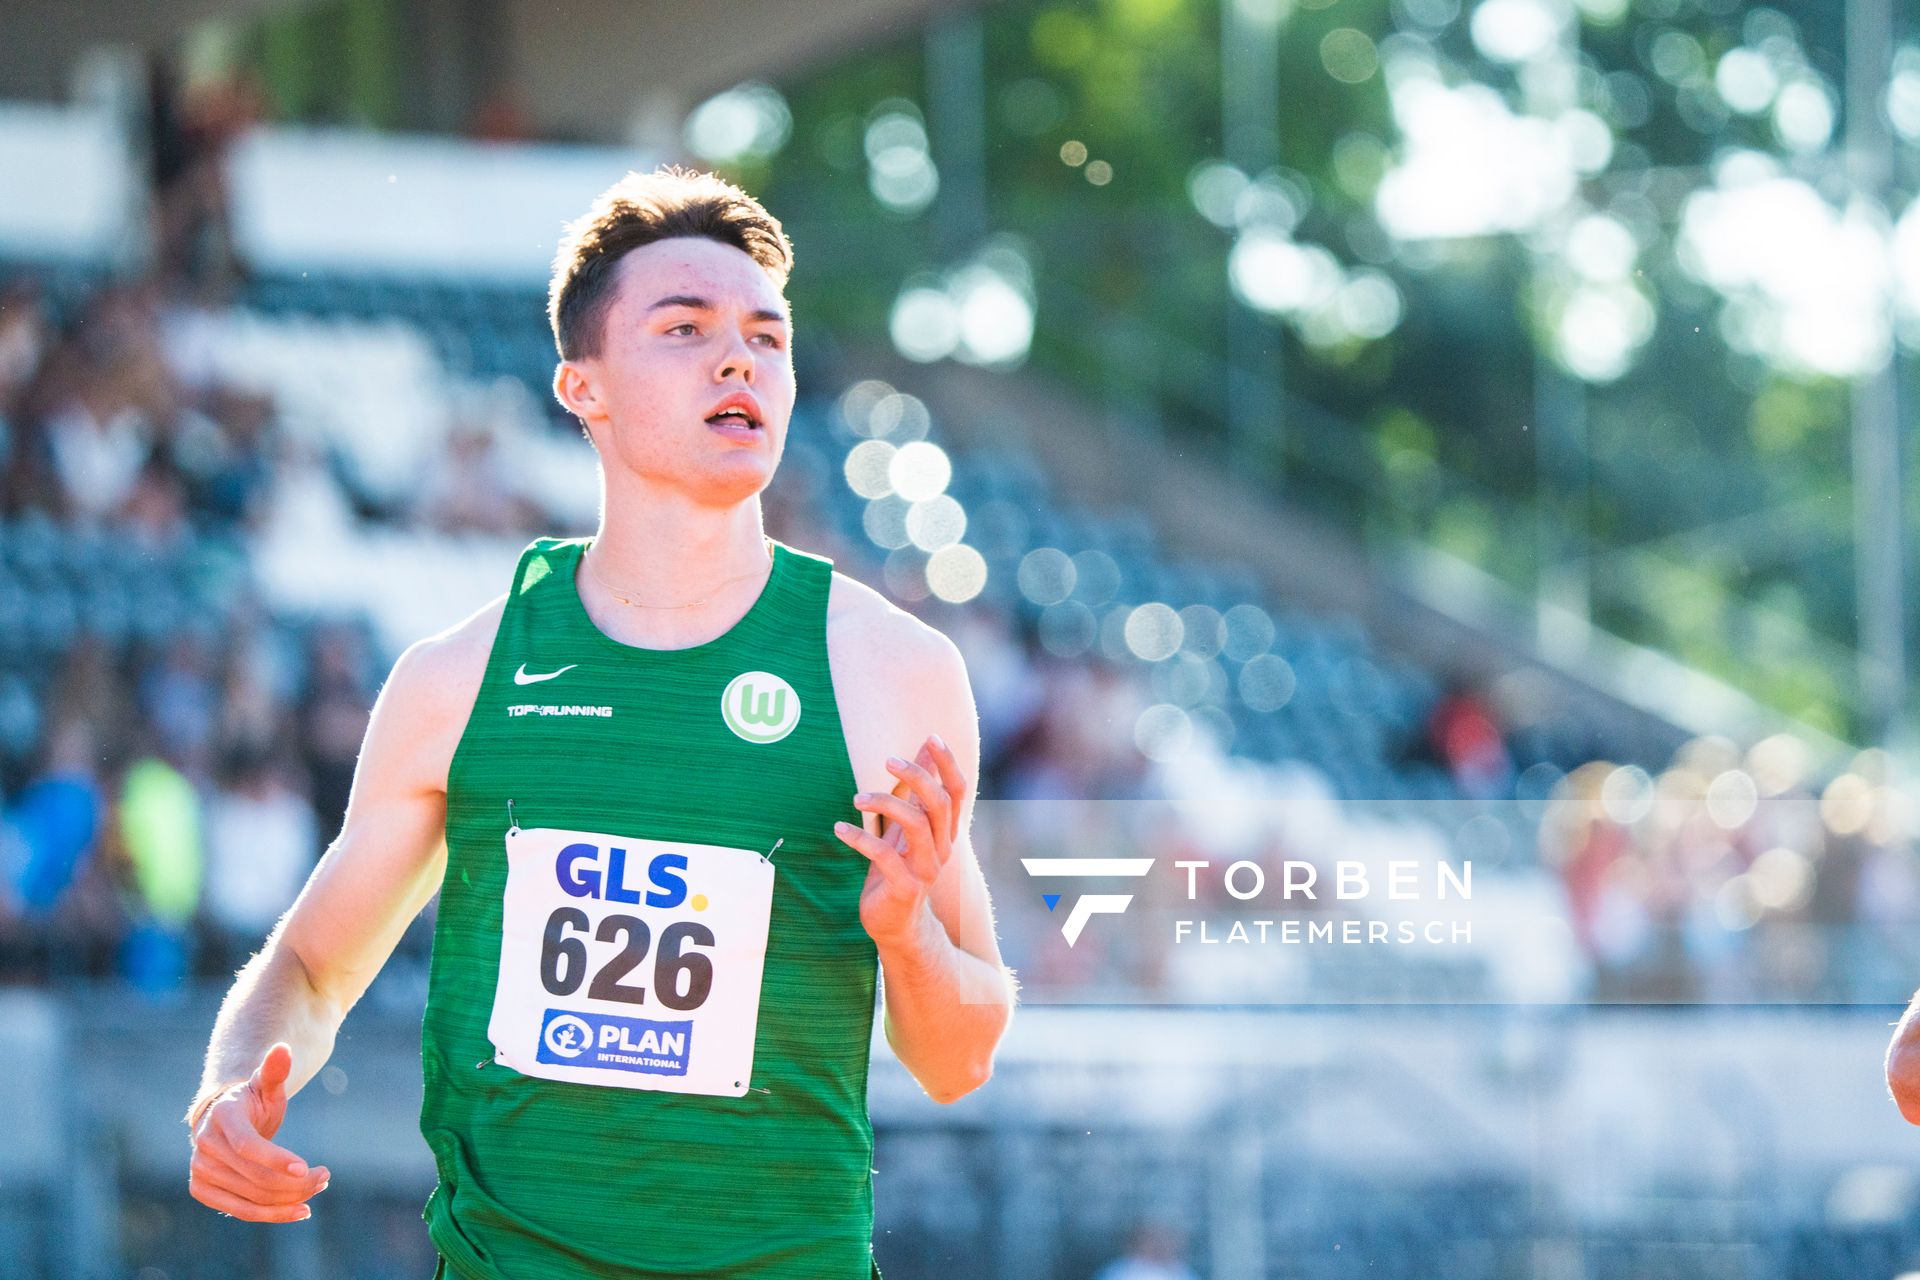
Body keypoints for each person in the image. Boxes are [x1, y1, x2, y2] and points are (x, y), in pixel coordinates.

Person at [182, 165, 1017, 1279]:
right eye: (685, 328)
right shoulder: (457, 678)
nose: (740, 358)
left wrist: (908, 933)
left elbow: (960, 1058)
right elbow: (313, 967)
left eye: (767, 337)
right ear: (585, 389)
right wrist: (232, 1082)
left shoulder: (894, 673)